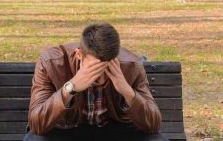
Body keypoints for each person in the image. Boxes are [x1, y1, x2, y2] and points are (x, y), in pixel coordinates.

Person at [23, 23, 167, 141]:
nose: (101, 77)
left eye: (107, 68)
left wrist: (126, 90)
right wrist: (70, 88)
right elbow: (37, 125)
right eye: (94, 68)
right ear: (79, 55)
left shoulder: (131, 65)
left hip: (115, 129)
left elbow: (153, 125)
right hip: (67, 130)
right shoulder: (51, 62)